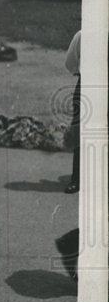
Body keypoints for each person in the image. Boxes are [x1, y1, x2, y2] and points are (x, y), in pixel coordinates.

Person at [64, 30, 81, 194]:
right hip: (88, 83)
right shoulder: (83, 35)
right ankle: (77, 178)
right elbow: (70, 62)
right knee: (80, 130)